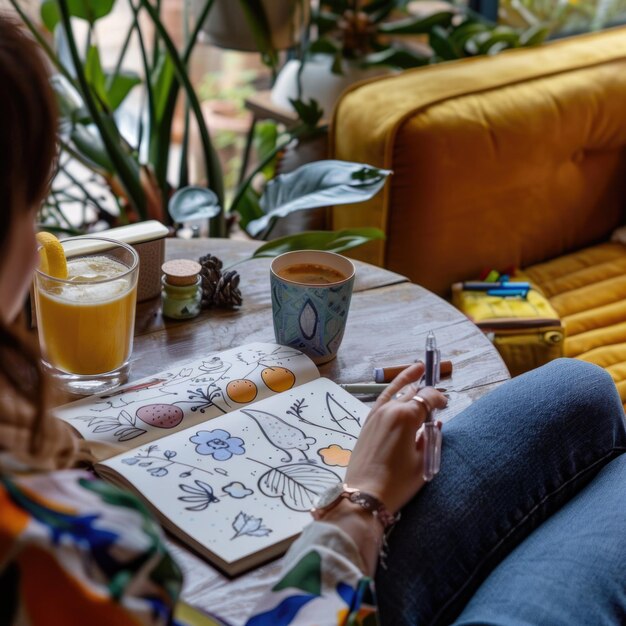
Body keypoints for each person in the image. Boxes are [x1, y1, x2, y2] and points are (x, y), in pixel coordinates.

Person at [1, 14, 625, 626]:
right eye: (33, 209)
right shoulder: (50, 544)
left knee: (583, 392)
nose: (38, 245)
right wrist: (363, 501)